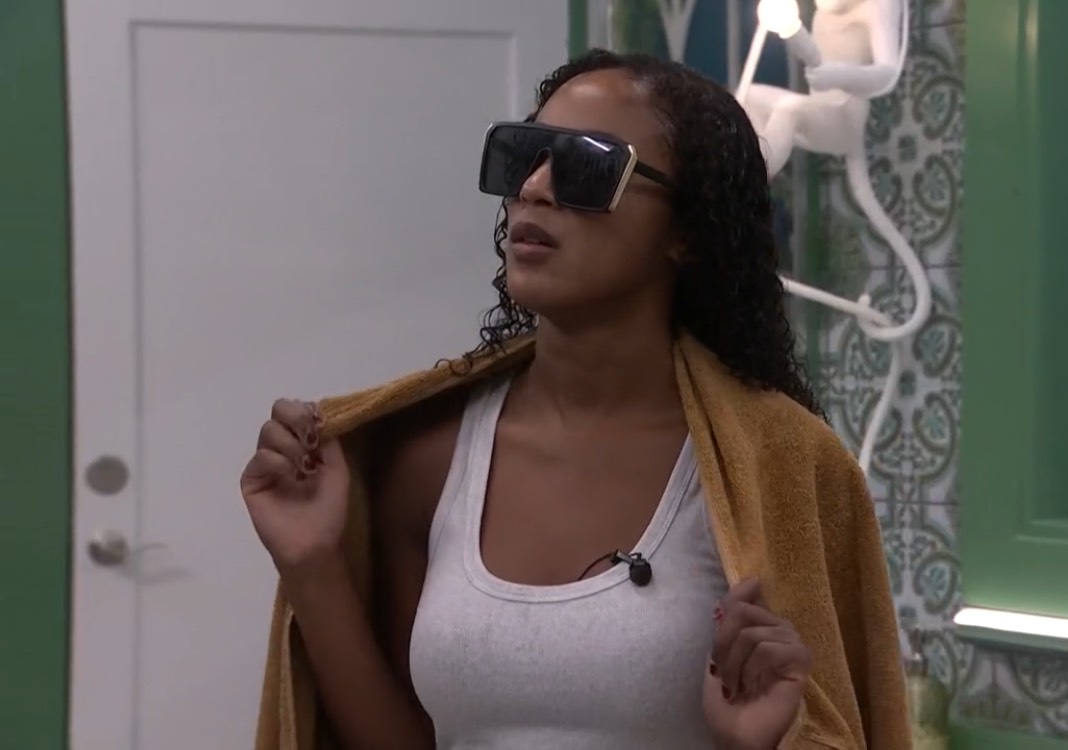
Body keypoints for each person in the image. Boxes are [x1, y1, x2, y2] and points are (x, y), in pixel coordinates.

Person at [240, 49, 905, 750]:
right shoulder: (428, 460)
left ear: (685, 229)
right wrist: (311, 565)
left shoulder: (780, 465)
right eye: (524, 157)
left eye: (587, 167)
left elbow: (837, 718)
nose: (533, 188)